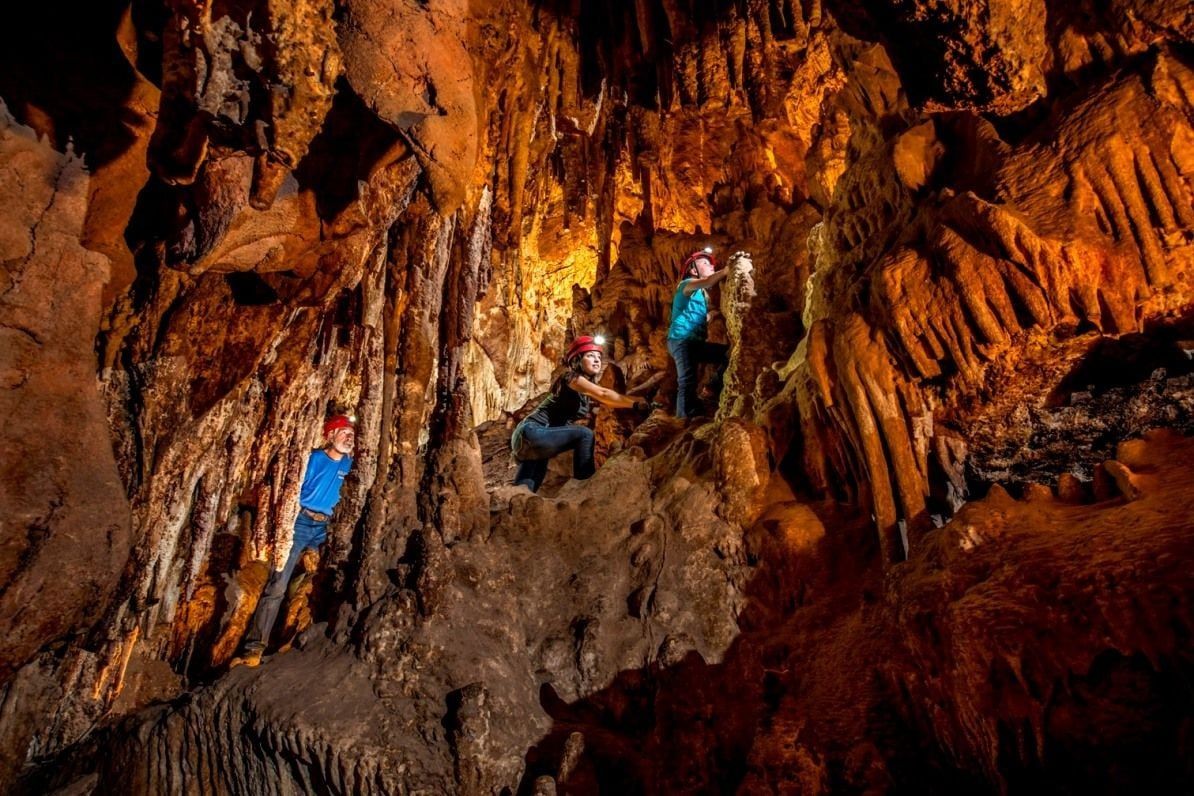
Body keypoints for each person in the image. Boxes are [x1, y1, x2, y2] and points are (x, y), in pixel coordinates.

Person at [232, 414, 355, 667]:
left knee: (327, 580)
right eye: (344, 432)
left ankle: (307, 638)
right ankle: (253, 648)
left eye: (352, 433)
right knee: (277, 584)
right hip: (300, 522)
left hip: (328, 527)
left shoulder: (351, 466)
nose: (349, 437)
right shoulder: (313, 459)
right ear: (330, 435)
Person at [511, 335, 648, 493]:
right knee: (585, 434)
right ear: (576, 360)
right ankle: (584, 485)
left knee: (526, 489)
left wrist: (635, 400)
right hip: (532, 432)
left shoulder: (582, 392)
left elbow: (609, 401)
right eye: (590, 356)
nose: (596, 360)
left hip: (530, 440)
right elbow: (603, 394)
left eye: (599, 357)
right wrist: (635, 404)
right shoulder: (571, 378)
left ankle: (513, 501)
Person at [667, 247, 729, 418]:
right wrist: (726, 270)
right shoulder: (686, 284)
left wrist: (711, 315)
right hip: (681, 340)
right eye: (705, 263)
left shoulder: (701, 294)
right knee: (687, 379)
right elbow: (708, 281)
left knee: (729, 354)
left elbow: (696, 315)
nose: (711, 265)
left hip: (694, 342)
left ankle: (711, 388)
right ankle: (683, 417)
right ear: (694, 270)